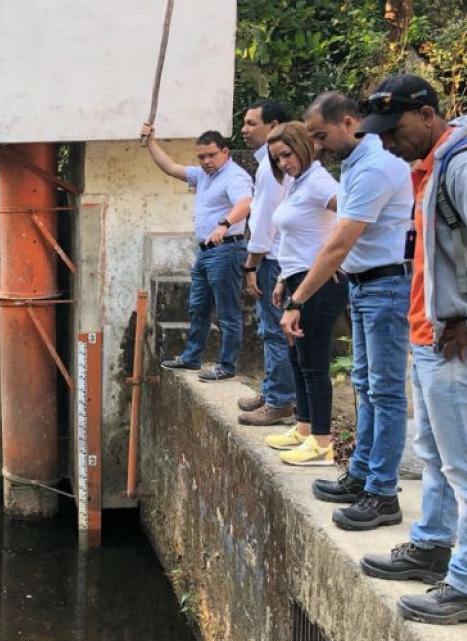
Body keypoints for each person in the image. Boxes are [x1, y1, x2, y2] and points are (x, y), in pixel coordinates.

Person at [355, 74, 467, 626]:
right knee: (437, 454)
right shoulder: (432, 167)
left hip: (458, 343)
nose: (387, 142)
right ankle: (433, 544)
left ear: (428, 115)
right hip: (433, 337)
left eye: (394, 128)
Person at [285, 92, 413, 531]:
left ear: (350, 122)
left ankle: (382, 493)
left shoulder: (376, 167)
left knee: (386, 391)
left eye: (321, 135)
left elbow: (340, 242)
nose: (316, 146)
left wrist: (297, 298)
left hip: (385, 286)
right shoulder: (356, 164)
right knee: (365, 383)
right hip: (364, 287)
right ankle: (361, 474)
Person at [255, 122, 346, 466]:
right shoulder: (298, 183)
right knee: (297, 357)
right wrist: (281, 279)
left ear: (304, 147)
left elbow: (352, 216)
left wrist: (341, 255)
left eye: (287, 155)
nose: (283, 164)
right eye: (277, 159)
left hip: (319, 281)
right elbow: (294, 235)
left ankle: (322, 441)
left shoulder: (321, 181)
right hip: (295, 277)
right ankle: (305, 427)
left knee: (313, 362)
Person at [142, 124, 253, 381]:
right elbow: (170, 167)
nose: (206, 161)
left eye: (211, 155)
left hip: (226, 250)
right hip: (204, 251)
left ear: (225, 151)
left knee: (227, 311)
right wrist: (150, 142)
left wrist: (224, 225)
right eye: (201, 157)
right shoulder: (204, 175)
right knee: (197, 307)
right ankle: (192, 357)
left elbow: (245, 203)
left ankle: (226, 365)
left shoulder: (235, 176)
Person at [237, 100, 296, 425]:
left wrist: (250, 265)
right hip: (275, 256)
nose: (244, 130)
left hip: (272, 258)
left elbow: (263, 221)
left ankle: (279, 401)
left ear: (273, 125)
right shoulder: (269, 165)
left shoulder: (271, 168)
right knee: (270, 328)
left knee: (275, 330)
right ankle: (274, 389)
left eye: (251, 123)